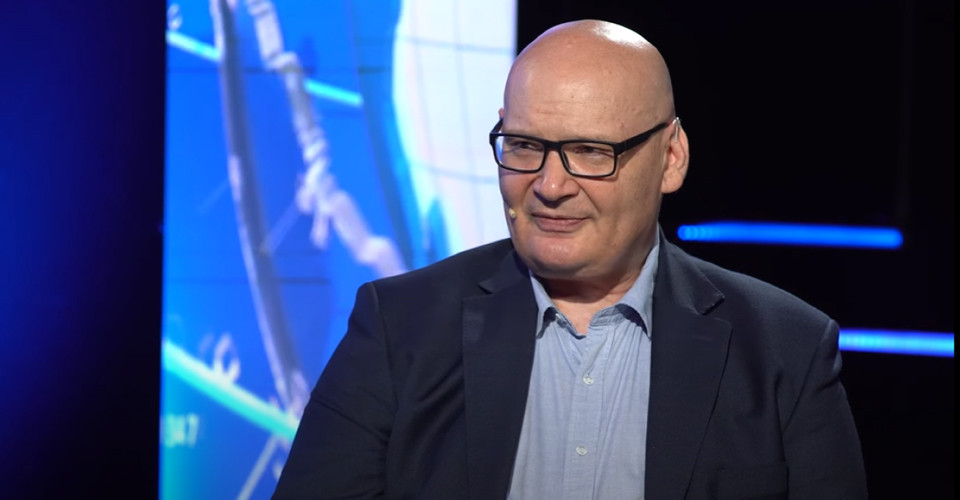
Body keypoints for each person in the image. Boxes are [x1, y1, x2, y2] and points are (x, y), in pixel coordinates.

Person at [273, 19, 867, 499]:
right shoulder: (398, 326)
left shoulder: (785, 349)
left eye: (590, 151)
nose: (550, 186)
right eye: (524, 146)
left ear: (671, 158)